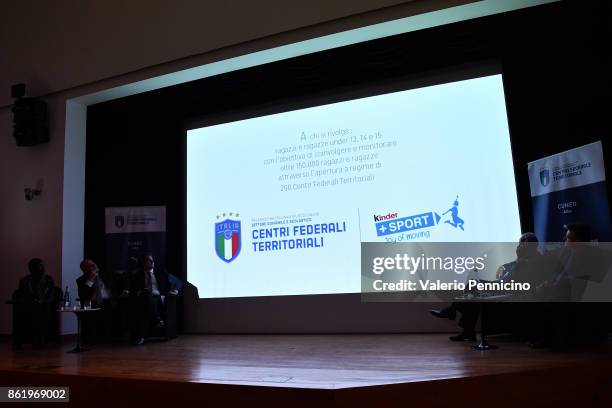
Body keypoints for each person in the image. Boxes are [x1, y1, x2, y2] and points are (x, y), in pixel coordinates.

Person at [430, 232, 544, 341]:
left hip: (510, 290)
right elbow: (513, 266)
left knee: (472, 286)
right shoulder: (525, 258)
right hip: (502, 285)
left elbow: (522, 278)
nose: (518, 246)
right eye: (519, 244)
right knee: (472, 299)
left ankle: (453, 313)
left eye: (521, 244)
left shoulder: (534, 260)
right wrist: (504, 267)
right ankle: (466, 330)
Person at [130, 254, 179, 345]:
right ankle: (157, 319)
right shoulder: (137, 275)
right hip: (142, 299)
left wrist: (175, 290)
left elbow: (177, 282)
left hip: (158, 298)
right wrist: (138, 293)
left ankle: (141, 336)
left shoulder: (161, 272)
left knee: (147, 302)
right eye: (149, 260)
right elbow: (133, 290)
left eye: (152, 260)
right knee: (146, 294)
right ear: (143, 263)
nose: (152, 262)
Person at [13, 258, 60, 347]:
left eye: (41, 266)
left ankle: (40, 338)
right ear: (31, 268)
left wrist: (42, 301)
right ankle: (33, 338)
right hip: (29, 306)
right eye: (37, 266)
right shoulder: (25, 281)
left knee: (43, 310)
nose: (41, 268)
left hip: (45, 306)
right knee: (31, 311)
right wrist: (33, 301)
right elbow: (23, 295)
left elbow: (51, 295)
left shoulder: (48, 279)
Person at [76, 259, 119, 343]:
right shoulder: (81, 280)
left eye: (93, 264)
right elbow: (83, 294)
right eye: (90, 266)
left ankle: (112, 337)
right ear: (84, 269)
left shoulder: (106, 275)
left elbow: (114, 287)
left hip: (108, 300)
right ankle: (93, 338)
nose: (93, 266)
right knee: (91, 313)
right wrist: (91, 279)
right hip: (92, 302)